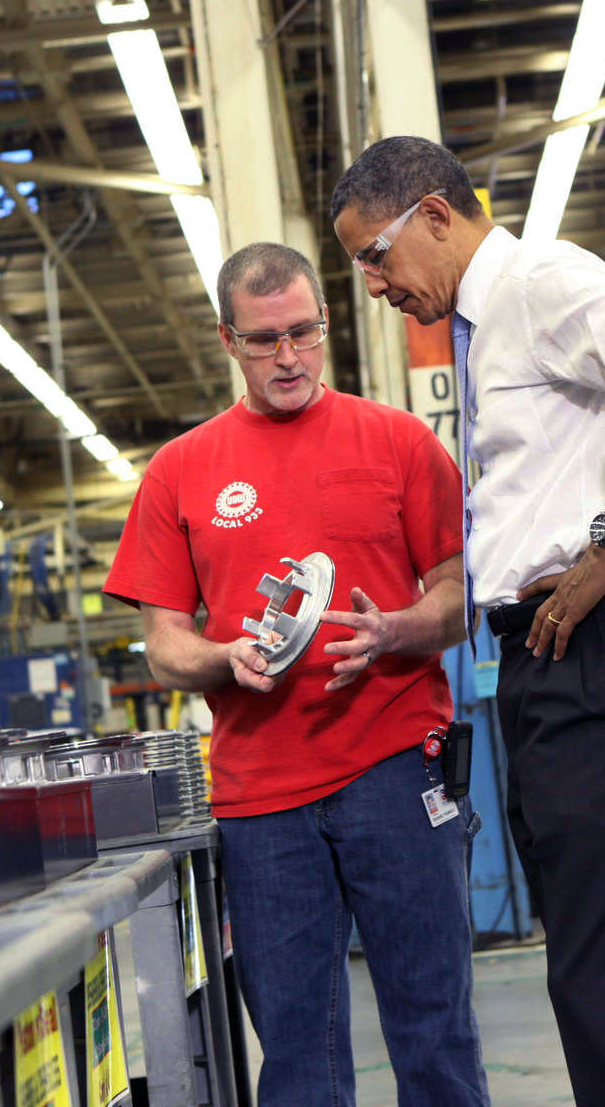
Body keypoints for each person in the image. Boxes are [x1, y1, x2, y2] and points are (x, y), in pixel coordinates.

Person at [330, 136, 605, 1106]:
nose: (376, 285)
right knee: (597, 961)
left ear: (432, 213)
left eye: (375, 256)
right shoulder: (483, 327)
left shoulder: (536, 281)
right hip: (557, 654)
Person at [103, 242, 489, 1107]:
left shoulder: (397, 443)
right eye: (265, 339)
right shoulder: (179, 471)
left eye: (305, 334)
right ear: (228, 340)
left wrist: (393, 630)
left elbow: (462, 598)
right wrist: (222, 659)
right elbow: (164, 641)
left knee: (436, 1029)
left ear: (325, 325)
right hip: (261, 799)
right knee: (296, 1051)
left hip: (396, 769)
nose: (289, 358)